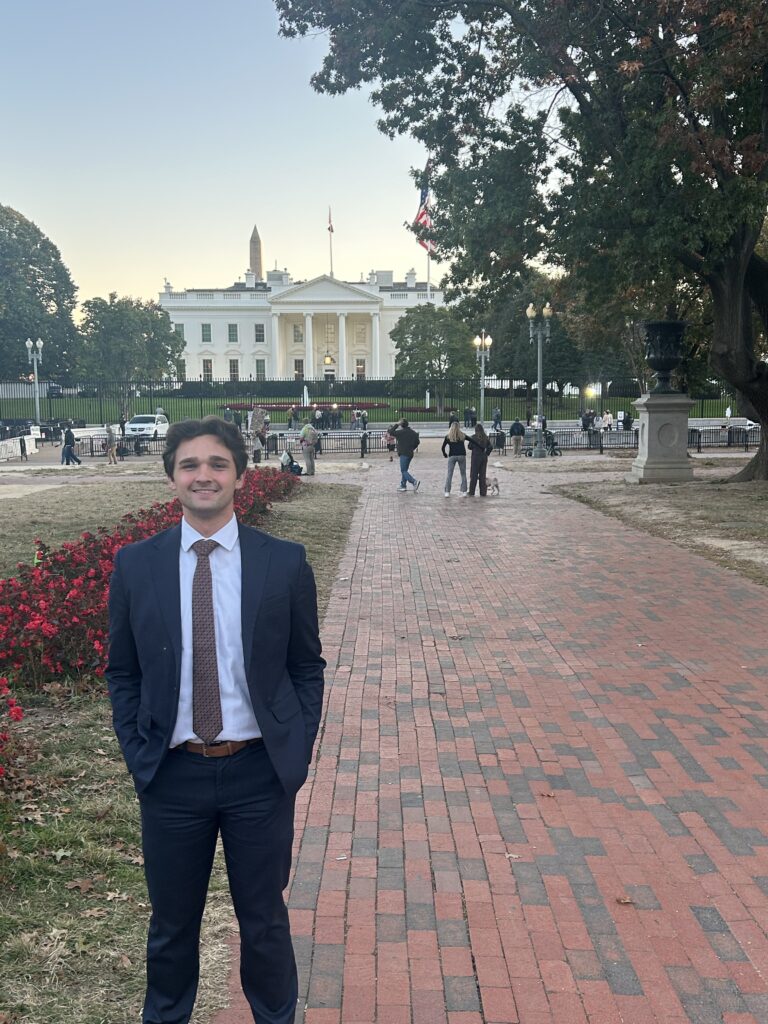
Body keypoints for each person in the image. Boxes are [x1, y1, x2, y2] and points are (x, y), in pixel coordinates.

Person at [107, 417, 324, 1024]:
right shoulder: (136, 565)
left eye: (217, 464)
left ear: (239, 474)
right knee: (172, 924)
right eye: (189, 465)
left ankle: (276, 1017)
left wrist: (296, 749)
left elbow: (306, 666)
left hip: (258, 773)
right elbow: (122, 672)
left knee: (263, 920)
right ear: (172, 476)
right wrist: (137, 751)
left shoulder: (282, 563)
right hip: (171, 776)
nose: (204, 475)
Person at [441, 421, 468, 496]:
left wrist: (445, 454)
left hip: (452, 456)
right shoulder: (462, 435)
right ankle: (464, 491)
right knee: (463, 474)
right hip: (462, 455)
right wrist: (482, 448)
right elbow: (473, 441)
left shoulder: (448, 436)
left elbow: (442, 447)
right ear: (459, 427)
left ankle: (447, 492)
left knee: (449, 474)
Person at [394, 418, 420, 492]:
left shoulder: (401, 432)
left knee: (403, 470)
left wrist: (396, 424)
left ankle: (414, 481)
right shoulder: (413, 433)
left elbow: (391, 431)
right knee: (405, 470)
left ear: (401, 425)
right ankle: (403, 485)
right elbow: (417, 442)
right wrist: (412, 448)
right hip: (410, 453)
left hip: (403, 453)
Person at [467, 423, 492, 496]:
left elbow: (469, 447)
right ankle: (483, 492)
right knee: (482, 475)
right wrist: (487, 453)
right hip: (483, 457)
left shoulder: (473, 437)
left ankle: (472, 492)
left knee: (474, 475)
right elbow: (490, 446)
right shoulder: (485, 437)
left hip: (475, 457)